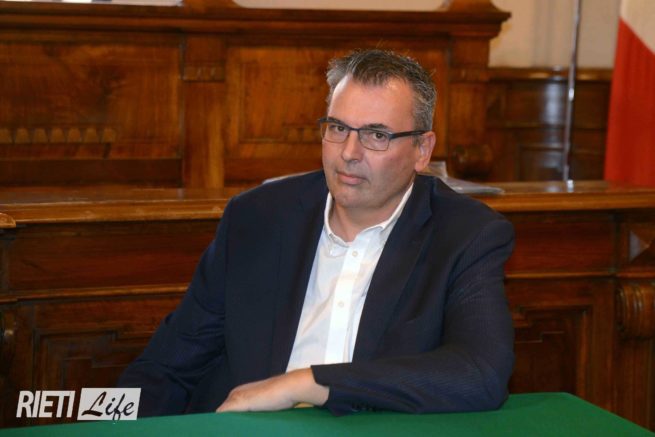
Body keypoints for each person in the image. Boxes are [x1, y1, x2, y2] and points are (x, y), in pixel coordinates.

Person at [118, 49, 515, 417]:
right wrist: (97, 420)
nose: (349, 152)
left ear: (422, 151)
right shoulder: (255, 219)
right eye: (338, 128)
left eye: (377, 135)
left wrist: (308, 383)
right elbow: (165, 368)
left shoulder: (466, 235)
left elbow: (480, 373)